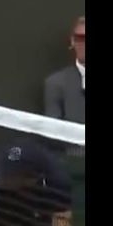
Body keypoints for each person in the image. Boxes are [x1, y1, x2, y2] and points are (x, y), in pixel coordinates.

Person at [44, 16, 85, 157]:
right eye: (80, 38)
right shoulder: (56, 83)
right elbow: (53, 133)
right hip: (74, 163)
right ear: (72, 42)